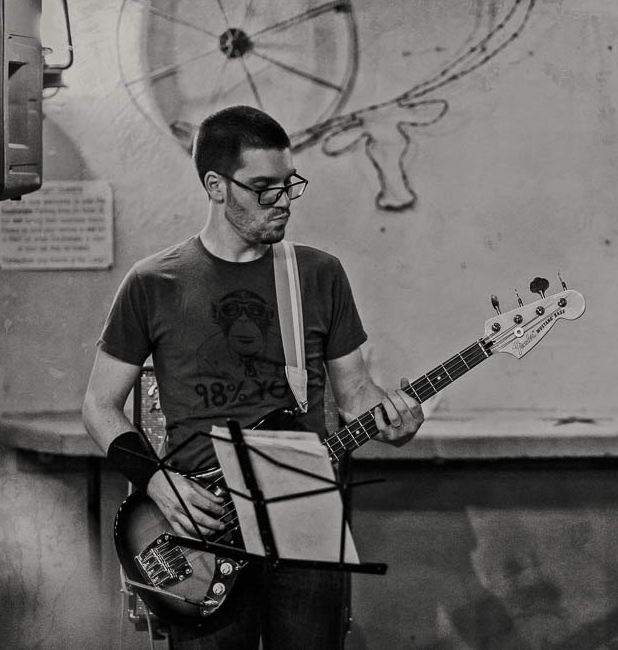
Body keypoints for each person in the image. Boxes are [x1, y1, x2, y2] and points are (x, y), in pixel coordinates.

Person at [81, 105, 425, 649]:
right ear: (215, 186)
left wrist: (398, 421)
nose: (283, 200)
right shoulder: (153, 283)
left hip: (304, 516)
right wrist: (157, 482)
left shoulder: (318, 274)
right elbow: (99, 406)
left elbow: (357, 396)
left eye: (289, 185)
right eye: (264, 188)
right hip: (203, 524)